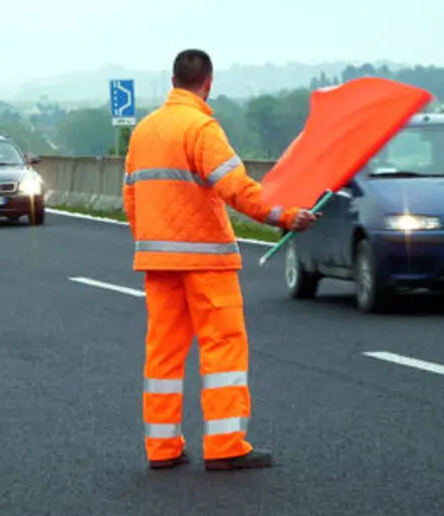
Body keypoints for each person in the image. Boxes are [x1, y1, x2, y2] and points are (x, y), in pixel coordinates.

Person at [122, 48, 318, 472]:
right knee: (223, 349)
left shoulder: (144, 131)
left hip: (158, 263)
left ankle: (162, 449)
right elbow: (236, 188)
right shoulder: (201, 128)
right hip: (207, 263)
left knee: (163, 355)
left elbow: (131, 197)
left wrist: (152, 241)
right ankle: (226, 445)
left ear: (172, 81)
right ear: (208, 84)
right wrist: (284, 216)